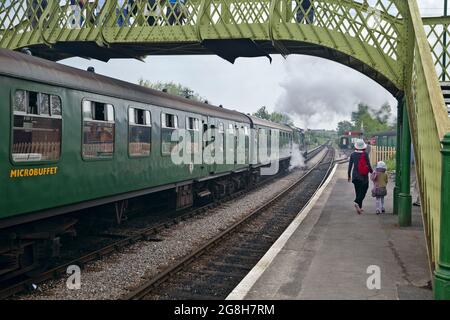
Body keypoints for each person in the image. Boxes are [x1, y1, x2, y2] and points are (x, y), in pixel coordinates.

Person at [348, 139, 373, 214]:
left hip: (355, 176)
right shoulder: (365, 154)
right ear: (363, 147)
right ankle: (357, 202)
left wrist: (349, 175)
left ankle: (360, 207)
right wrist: (372, 172)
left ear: (356, 147)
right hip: (363, 176)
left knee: (358, 191)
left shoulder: (352, 154)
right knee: (364, 190)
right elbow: (368, 164)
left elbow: (350, 166)